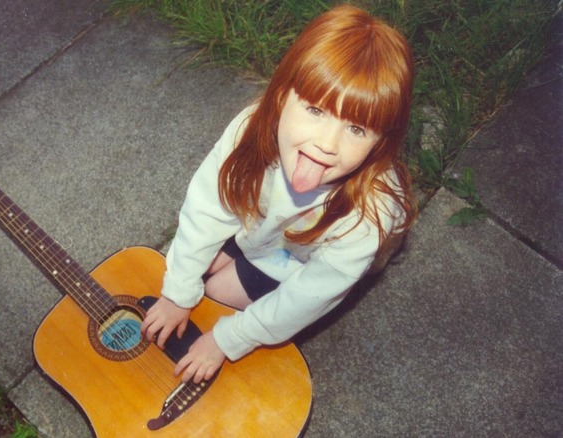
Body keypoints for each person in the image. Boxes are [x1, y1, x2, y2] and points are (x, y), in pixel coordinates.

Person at [140, 4, 416, 384]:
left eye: (357, 129)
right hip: (264, 228)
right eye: (316, 110)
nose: (327, 144)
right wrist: (177, 292)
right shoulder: (250, 132)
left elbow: (307, 297)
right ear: (282, 93)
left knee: (215, 294)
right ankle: (238, 257)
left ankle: (316, 273)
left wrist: (227, 340)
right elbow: (207, 208)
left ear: (381, 140)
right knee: (192, 271)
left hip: (303, 261)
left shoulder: (368, 216)